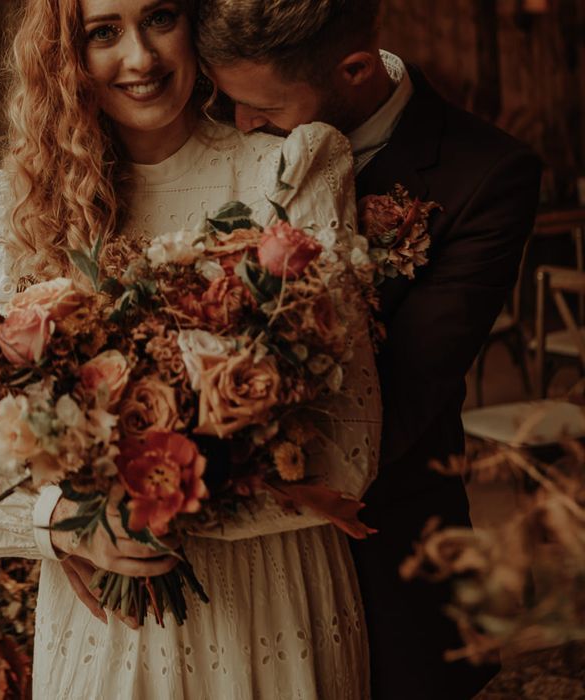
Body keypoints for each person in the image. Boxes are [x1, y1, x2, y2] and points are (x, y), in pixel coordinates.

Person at [0, 0, 382, 697]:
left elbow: (347, 453)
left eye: (161, 18)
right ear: (66, 54)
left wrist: (132, 513)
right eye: (104, 32)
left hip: (271, 599)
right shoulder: (20, 204)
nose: (140, 58)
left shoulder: (290, 171)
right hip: (110, 633)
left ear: (195, 24)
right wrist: (66, 525)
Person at [195, 1, 543, 698]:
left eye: (260, 106)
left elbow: (409, 391)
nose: (240, 126)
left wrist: (221, 463)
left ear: (353, 70)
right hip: (230, 580)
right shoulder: (214, 129)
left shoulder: (486, 175)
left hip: (386, 540)